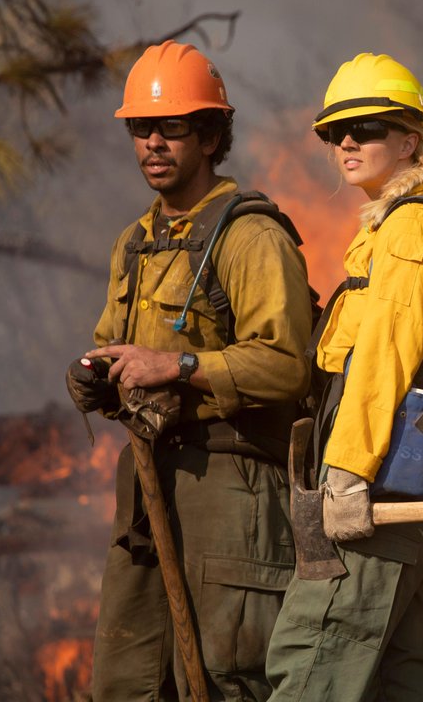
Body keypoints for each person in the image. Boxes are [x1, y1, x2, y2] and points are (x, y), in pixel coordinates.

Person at [66, 39, 312, 701]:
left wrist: (175, 365)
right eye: (140, 128)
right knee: (126, 685)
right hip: (147, 489)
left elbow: (286, 366)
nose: (152, 142)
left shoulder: (251, 237)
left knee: (228, 679)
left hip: (231, 486)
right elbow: (115, 348)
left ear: (209, 136)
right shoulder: (134, 242)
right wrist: (94, 377)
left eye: (171, 127)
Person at [265, 53, 423, 701]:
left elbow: (387, 353)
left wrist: (349, 471)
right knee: (393, 674)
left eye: (367, 128)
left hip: (384, 483)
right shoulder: (393, 226)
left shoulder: (411, 230)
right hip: (397, 484)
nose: (347, 143)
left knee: (314, 655)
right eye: (335, 133)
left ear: (410, 141)